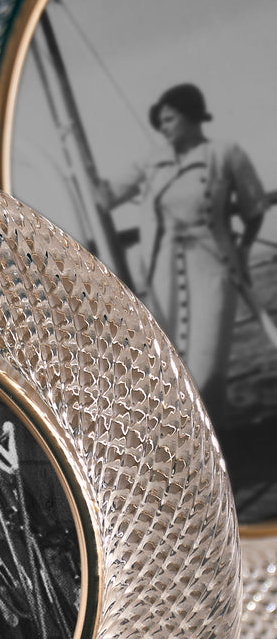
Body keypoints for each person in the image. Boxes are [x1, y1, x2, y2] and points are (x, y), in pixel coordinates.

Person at [96, 83, 267, 407]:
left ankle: (215, 431)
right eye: (160, 122)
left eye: (169, 119)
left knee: (207, 367)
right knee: (169, 366)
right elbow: (106, 198)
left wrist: (243, 253)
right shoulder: (152, 162)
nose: (163, 128)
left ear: (191, 116)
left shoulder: (225, 153)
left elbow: (254, 209)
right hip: (163, 276)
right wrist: (79, 169)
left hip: (214, 270)